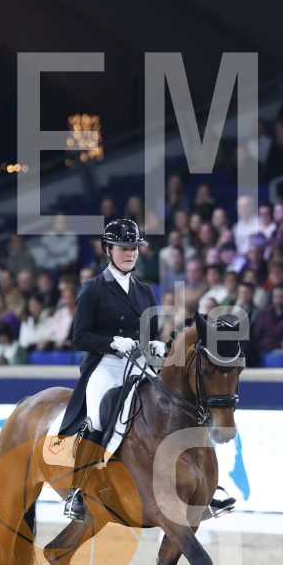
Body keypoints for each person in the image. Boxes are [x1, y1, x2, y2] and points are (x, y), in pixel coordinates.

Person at [55, 218, 163, 522]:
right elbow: (79, 337)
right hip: (106, 365)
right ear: (108, 250)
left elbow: (151, 334)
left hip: (139, 365)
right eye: (123, 247)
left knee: (171, 405)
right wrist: (112, 342)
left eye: (134, 248)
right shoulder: (93, 289)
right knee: (98, 417)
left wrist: (156, 346)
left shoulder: (146, 292)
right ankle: (78, 490)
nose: (130, 253)